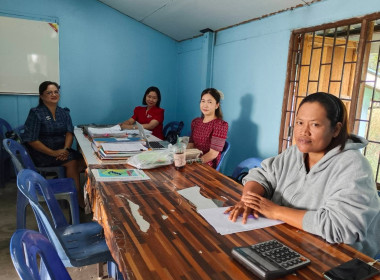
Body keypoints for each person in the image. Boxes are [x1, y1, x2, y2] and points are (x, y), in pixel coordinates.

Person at [225, 92, 380, 258]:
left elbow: (340, 228)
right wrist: (248, 200)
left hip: (340, 258)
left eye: (314, 125)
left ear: (336, 129)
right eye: (299, 122)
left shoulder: (353, 165)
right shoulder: (294, 153)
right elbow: (261, 175)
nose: (303, 132)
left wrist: (276, 211)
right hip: (292, 241)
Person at [22, 81, 86, 208]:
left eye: (56, 92)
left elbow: (69, 133)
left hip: (62, 150)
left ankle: (66, 184)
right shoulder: (36, 113)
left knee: (86, 161)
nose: (53, 94)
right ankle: (77, 198)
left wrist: (66, 149)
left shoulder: (63, 112)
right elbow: (31, 140)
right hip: (42, 153)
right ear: (41, 96)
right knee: (72, 163)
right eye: (49, 92)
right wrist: (53, 153)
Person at [187, 88, 229, 169]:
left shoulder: (220, 125)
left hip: (207, 165)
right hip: (193, 161)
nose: (205, 105)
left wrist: (196, 162)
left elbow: (213, 154)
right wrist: (184, 156)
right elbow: (191, 144)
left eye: (209, 102)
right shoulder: (196, 122)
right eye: (203, 101)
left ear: (217, 105)